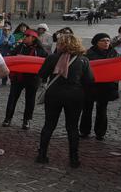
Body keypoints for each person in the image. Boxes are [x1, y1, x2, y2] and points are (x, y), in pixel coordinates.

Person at [36, 33, 93, 167]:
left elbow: (42, 74)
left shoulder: (52, 58)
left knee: (49, 125)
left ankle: (42, 155)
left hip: (54, 94)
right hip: (75, 95)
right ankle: (74, 158)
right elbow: (89, 80)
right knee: (72, 127)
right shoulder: (83, 60)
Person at [2, 29, 47, 129]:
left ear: (33, 38)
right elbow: (11, 56)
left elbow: (45, 63)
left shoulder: (40, 51)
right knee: (12, 98)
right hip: (18, 78)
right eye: (24, 36)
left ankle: (27, 120)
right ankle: (7, 118)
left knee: (30, 100)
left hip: (33, 79)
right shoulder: (19, 47)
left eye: (27, 36)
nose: (24, 37)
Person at [80, 33, 119, 141]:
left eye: (108, 40)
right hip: (90, 85)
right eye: (103, 40)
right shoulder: (88, 53)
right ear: (96, 42)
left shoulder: (114, 53)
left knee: (102, 110)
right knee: (87, 109)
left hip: (106, 86)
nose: (106, 42)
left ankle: (100, 133)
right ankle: (84, 131)